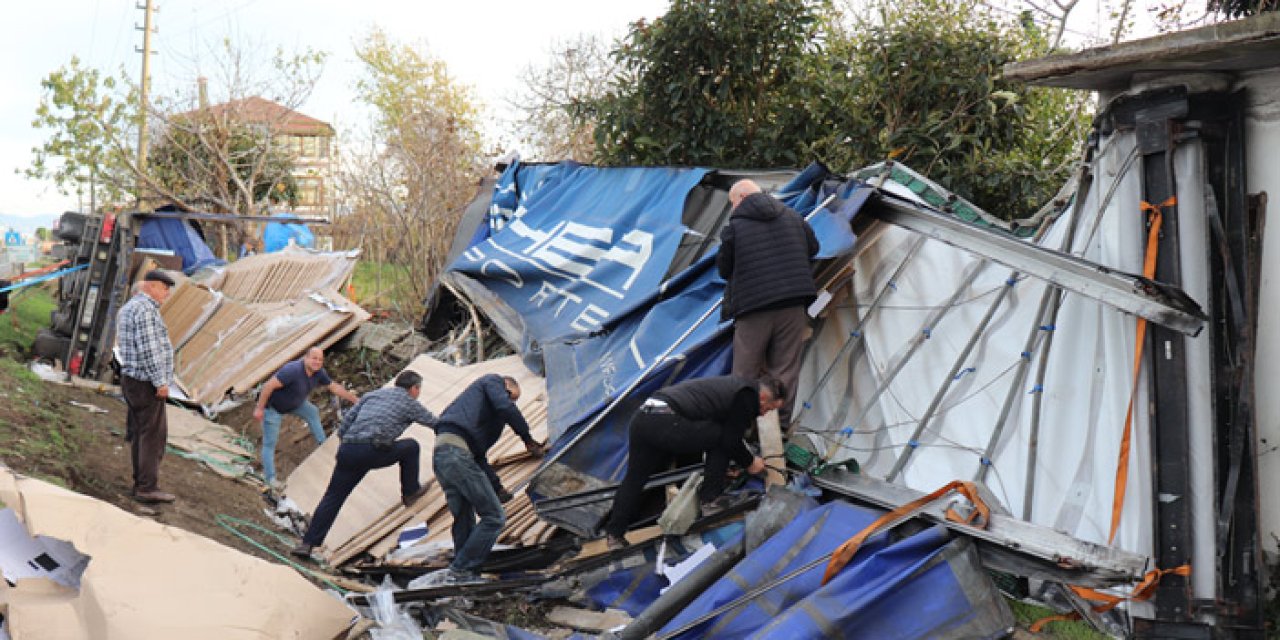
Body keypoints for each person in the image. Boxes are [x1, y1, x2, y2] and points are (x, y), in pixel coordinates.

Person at [603, 375, 782, 550]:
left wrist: (722, 468)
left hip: (646, 413)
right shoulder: (746, 396)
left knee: (635, 478)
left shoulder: (731, 386)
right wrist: (750, 462)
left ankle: (614, 534)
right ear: (763, 397)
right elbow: (730, 440)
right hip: (665, 417)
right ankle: (710, 500)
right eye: (769, 408)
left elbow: (699, 435)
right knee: (720, 439)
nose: (765, 414)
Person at [291, 370, 437, 558]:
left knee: (333, 497)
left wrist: (352, 443)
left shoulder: (372, 395)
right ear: (414, 389)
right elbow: (434, 423)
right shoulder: (410, 403)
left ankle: (307, 544)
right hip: (372, 451)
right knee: (411, 446)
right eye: (419, 389)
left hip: (348, 450)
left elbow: (343, 428)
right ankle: (410, 492)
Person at [424, 374, 544, 585]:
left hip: (444, 457)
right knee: (494, 517)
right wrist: (527, 438)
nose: (509, 402)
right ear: (506, 387)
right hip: (456, 454)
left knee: (464, 517)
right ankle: (461, 569)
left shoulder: (481, 417)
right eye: (510, 396)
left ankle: (462, 574)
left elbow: (479, 456)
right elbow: (505, 407)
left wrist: (497, 488)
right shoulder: (492, 381)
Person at [717, 179, 819, 426]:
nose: (733, 209)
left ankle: (740, 426)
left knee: (745, 372)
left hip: (754, 307)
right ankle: (779, 426)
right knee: (785, 369)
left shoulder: (734, 227)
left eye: (732, 203)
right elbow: (814, 248)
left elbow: (723, 269)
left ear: (740, 198)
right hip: (794, 303)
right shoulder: (795, 217)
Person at [254, 347, 359, 489]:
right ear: (306, 358)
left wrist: (355, 400)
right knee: (269, 443)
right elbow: (268, 386)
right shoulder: (292, 370)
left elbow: (334, 387)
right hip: (273, 408)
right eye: (314, 358)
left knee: (312, 412)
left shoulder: (319, 373)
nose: (317, 362)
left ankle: (323, 443)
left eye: (320, 359)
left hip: (296, 403)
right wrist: (260, 408)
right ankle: (270, 479)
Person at [116, 269, 178, 504]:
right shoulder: (145, 311)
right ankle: (146, 487)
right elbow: (149, 350)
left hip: (134, 380)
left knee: (142, 432)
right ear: (151, 286)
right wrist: (160, 381)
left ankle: (141, 482)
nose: (167, 294)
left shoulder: (130, 308)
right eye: (164, 288)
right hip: (145, 383)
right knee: (152, 436)